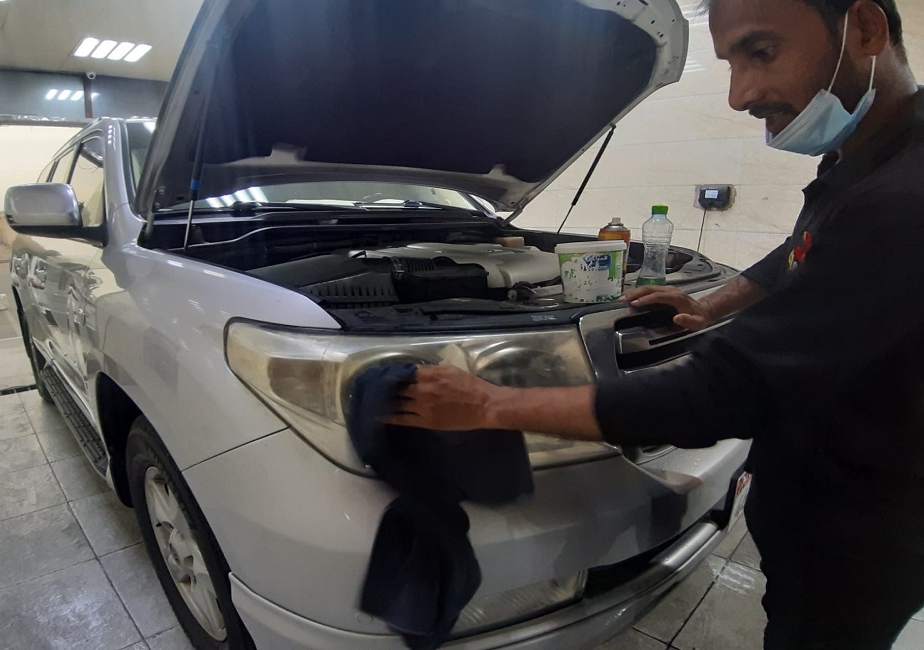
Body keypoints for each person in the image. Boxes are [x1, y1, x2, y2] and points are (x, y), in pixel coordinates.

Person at [387, 1, 924, 648]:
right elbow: (800, 250)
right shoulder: (865, 159)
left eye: (761, 52)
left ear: (865, 29)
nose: (738, 96)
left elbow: (723, 392)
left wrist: (488, 404)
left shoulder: (902, 202)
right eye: (730, 64)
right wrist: (714, 303)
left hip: (857, 528)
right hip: (825, 489)